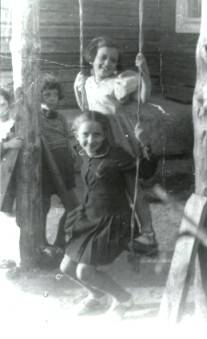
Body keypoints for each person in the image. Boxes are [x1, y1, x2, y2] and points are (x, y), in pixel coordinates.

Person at [73, 36, 164, 249]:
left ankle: (148, 234)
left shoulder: (119, 82)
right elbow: (85, 108)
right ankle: (107, 231)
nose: (108, 63)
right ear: (90, 59)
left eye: (113, 60)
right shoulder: (86, 81)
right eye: (103, 58)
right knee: (104, 190)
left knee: (133, 189)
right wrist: (76, 90)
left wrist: (145, 72)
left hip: (118, 142)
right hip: (98, 143)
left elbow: (143, 97)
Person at [61, 111, 150, 315]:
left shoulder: (119, 158)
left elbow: (138, 196)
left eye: (97, 135)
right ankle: (97, 297)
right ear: (76, 135)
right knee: (66, 268)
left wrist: (147, 229)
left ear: (106, 135)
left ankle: (124, 300)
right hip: (90, 218)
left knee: (85, 271)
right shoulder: (83, 154)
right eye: (85, 134)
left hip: (112, 221)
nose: (90, 140)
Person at [40, 74, 79, 252]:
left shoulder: (61, 117)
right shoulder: (36, 118)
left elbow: (69, 138)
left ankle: (60, 241)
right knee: (43, 205)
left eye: (54, 95)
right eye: (47, 95)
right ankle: (41, 242)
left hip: (64, 165)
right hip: (46, 166)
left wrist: (73, 150)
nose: (51, 99)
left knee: (73, 206)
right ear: (40, 97)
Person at [0, 87, 22, 270]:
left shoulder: (16, 124)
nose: (0, 109)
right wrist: (7, 144)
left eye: (2, 105)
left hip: (11, 176)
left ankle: (13, 256)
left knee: (11, 216)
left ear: (9, 105)